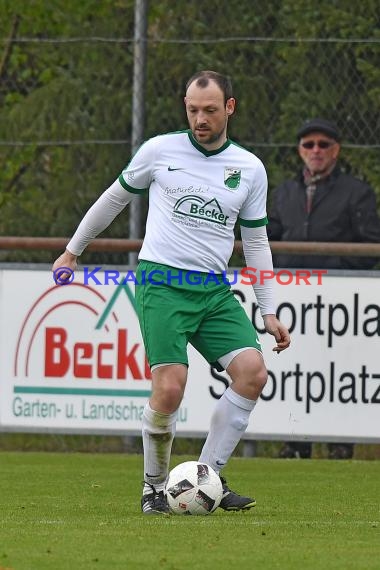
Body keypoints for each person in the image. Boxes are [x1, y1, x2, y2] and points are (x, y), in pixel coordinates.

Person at [53, 70, 290, 514]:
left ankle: (207, 479)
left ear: (230, 108)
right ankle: (153, 489)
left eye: (210, 110)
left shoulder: (250, 168)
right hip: (162, 282)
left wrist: (269, 310)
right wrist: (72, 250)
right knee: (170, 387)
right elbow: (114, 198)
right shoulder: (161, 150)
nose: (200, 119)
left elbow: (255, 241)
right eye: (193, 110)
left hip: (213, 291)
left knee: (253, 372)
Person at [268, 117, 380, 460]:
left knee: (338, 368)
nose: (315, 151)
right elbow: (266, 239)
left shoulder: (356, 192)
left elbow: (371, 245)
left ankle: (340, 442)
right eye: (308, 144)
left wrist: (336, 275)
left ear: (336, 150)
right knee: (294, 368)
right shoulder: (284, 192)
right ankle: (295, 442)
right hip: (291, 300)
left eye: (323, 144)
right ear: (300, 150)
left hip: (338, 305)